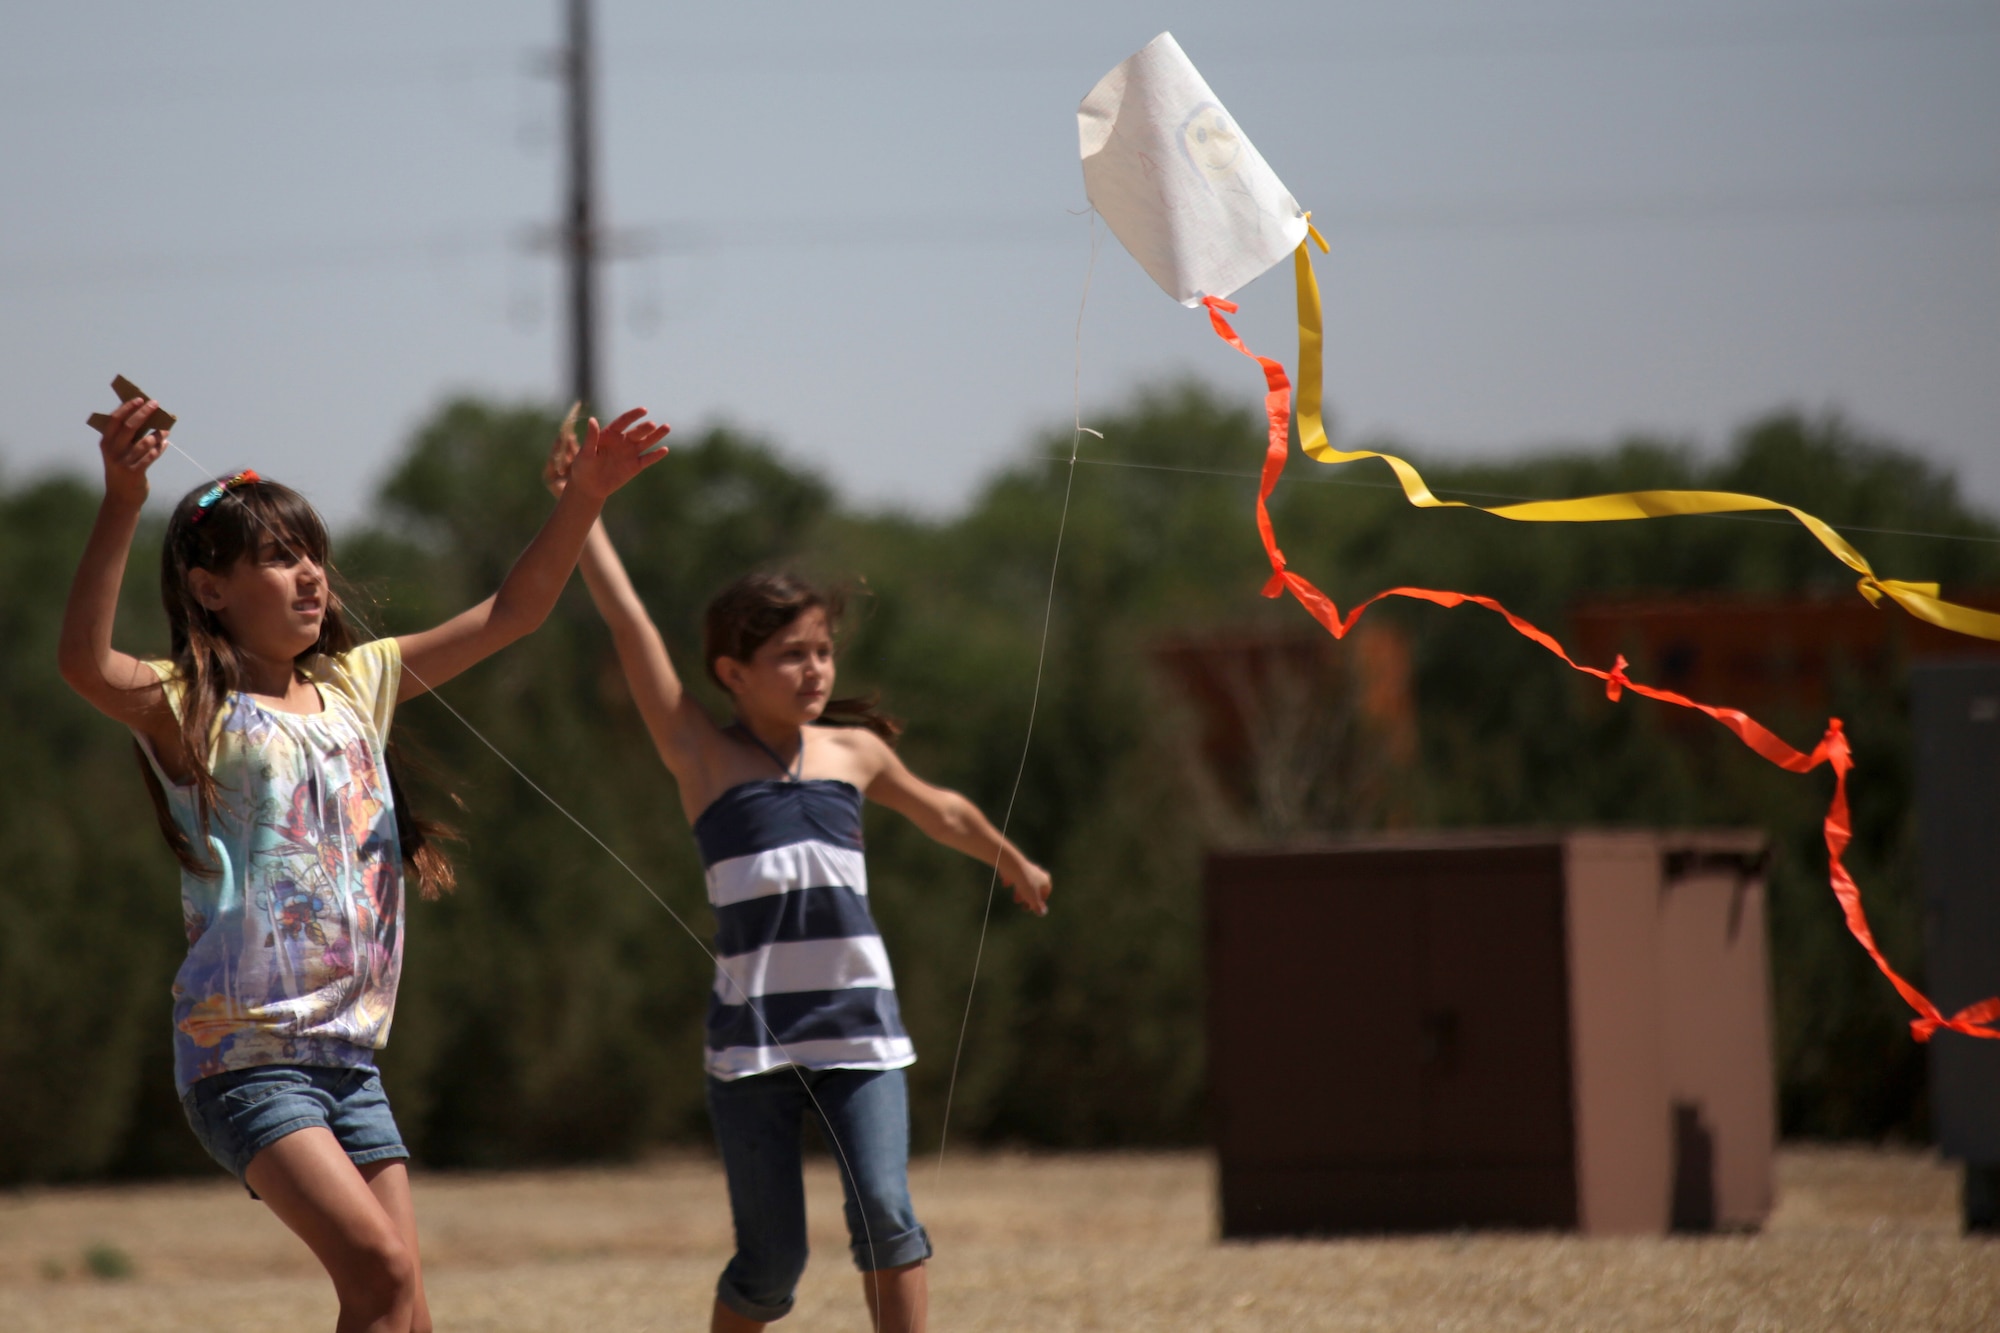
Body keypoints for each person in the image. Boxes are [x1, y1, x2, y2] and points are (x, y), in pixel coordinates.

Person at [59, 393, 669, 1333]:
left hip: (351, 1059)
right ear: (209, 588)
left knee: (404, 1312)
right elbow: (86, 665)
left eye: (314, 555)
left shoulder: (356, 681)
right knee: (383, 1278)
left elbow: (516, 611)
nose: (309, 576)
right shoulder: (192, 703)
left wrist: (584, 496)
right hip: (245, 1055)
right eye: (276, 557)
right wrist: (123, 497)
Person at [545, 425, 1052, 1333]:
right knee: (771, 1264)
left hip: (862, 1033)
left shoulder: (854, 752)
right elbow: (631, 623)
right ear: (732, 673)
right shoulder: (701, 753)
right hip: (752, 1048)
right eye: (790, 654)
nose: (815, 668)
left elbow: (941, 810)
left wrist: (1009, 858)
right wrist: (585, 509)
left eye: (821, 649)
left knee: (890, 1221)